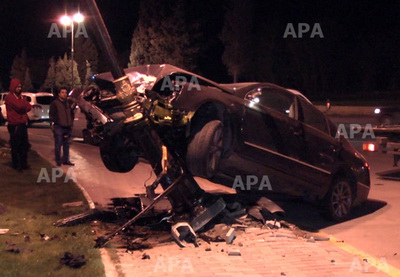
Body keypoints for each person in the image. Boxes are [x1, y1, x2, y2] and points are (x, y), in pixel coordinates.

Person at [5, 78, 32, 171]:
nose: (19, 89)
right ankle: (16, 164)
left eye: (20, 87)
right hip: (14, 124)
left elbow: (28, 107)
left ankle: (24, 163)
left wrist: (23, 105)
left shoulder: (21, 97)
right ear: (13, 87)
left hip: (22, 124)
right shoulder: (9, 97)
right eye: (17, 87)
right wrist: (23, 105)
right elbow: (19, 107)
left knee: (24, 146)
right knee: (16, 146)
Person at [49, 88, 75, 166]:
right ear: (59, 94)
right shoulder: (55, 103)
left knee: (66, 145)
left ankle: (66, 160)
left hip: (67, 127)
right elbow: (52, 114)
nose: (64, 94)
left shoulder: (68, 103)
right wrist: (56, 122)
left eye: (65, 92)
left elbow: (71, 114)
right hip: (59, 127)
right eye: (62, 92)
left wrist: (71, 123)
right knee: (58, 144)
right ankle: (58, 160)